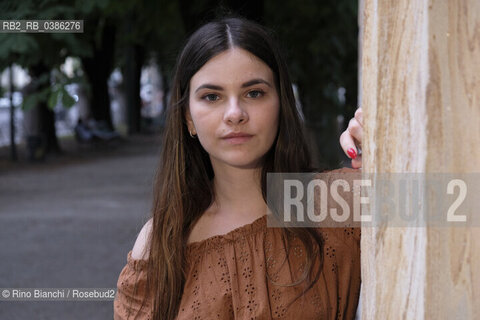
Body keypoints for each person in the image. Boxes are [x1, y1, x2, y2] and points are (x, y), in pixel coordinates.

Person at [113, 16, 364, 320]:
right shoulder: (161, 240)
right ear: (188, 118)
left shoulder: (337, 200)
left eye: (254, 92)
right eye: (212, 96)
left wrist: (386, 158)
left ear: (281, 103)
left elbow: (436, 228)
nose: (235, 114)